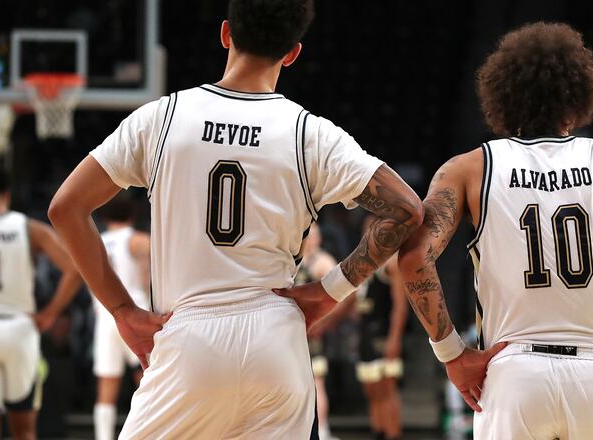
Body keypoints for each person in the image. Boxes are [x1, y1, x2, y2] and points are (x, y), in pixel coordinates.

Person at [47, 0, 422, 437]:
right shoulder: (311, 133)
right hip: (275, 336)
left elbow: (65, 207)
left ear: (226, 34)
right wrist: (328, 291)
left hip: (189, 337)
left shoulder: (163, 117)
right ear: (293, 52)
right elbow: (408, 209)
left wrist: (122, 310)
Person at [397, 22, 593, 438]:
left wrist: (451, 352)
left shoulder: (468, 169)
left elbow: (414, 255)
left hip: (512, 373)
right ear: (579, 93)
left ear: (501, 95)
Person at [0, 163, 82, 440]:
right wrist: (50, 313)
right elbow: (75, 269)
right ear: (7, 194)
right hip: (19, 330)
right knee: (24, 430)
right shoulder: (29, 228)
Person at [92, 194, 150, 440]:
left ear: (104, 218)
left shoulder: (94, 243)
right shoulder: (138, 240)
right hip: (137, 312)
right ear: (133, 216)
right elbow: (148, 280)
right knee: (150, 378)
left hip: (106, 316)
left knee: (107, 383)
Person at [354, 217, 408, 440]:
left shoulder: (391, 263)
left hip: (383, 333)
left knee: (387, 391)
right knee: (372, 392)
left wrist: (395, 338)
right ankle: (378, 432)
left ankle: (393, 434)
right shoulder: (363, 263)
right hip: (365, 332)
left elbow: (400, 306)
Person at [294, 223, 343, 440]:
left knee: (316, 382)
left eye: (312, 235)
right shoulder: (294, 259)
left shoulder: (322, 261)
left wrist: (324, 321)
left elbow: (347, 294)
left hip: (311, 333)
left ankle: (322, 430)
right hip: (292, 333)